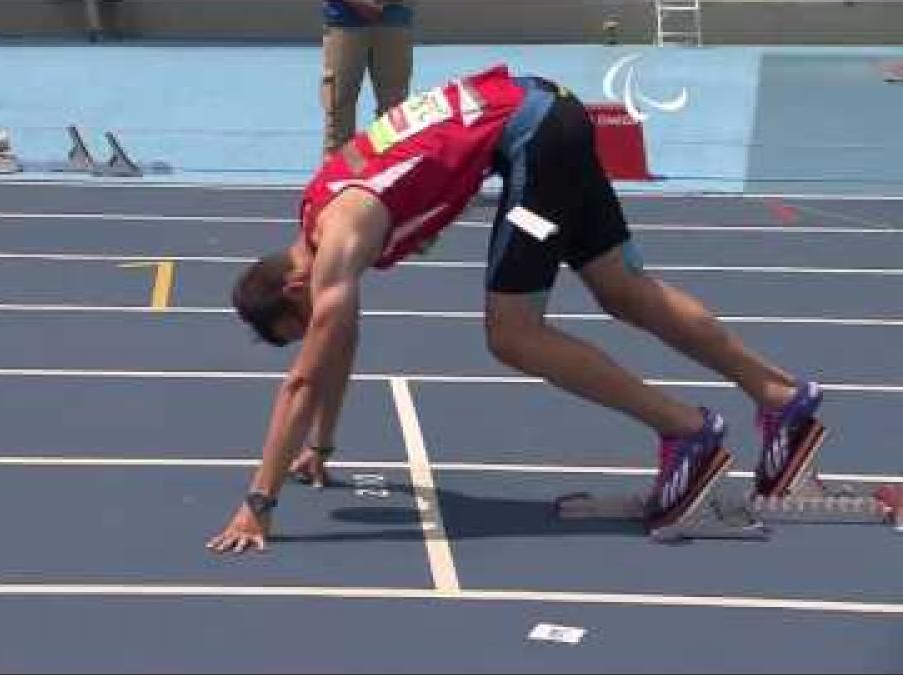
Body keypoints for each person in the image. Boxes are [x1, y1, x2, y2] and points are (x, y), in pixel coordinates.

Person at [206, 62, 825, 554]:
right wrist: (323, 446)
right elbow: (335, 347)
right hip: (549, 113)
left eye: (304, 320)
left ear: (294, 289)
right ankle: (777, 394)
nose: (315, 325)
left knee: (512, 333)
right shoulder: (320, 211)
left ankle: (686, 431)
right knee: (621, 288)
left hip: (534, 138)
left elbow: (307, 374)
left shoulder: (338, 237)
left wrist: (258, 503)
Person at [320, 0, 414, 155]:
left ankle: (388, 170)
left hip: (395, 19)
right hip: (344, 19)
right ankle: (340, 174)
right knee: (339, 105)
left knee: (394, 108)